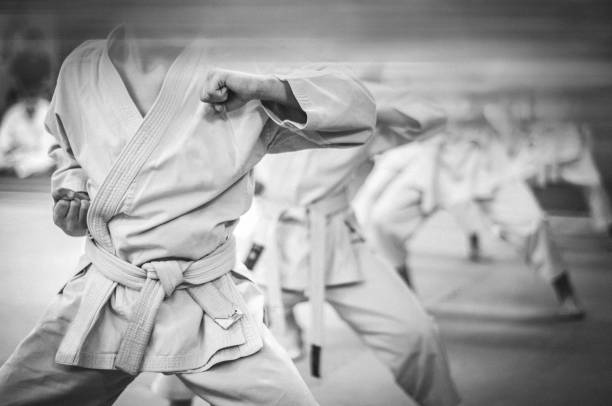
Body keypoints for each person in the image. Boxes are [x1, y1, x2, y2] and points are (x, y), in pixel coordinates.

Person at [0, 20, 376, 406]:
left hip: (209, 304)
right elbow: (69, 151)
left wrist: (265, 88)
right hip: (103, 295)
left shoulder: (238, 64)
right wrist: (74, 197)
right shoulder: (81, 66)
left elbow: (358, 108)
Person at [150, 83, 460, 406]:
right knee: (200, 330)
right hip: (271, 245)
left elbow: (431, 114)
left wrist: (345, 107)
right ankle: (178, 402)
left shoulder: (353, 96)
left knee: (415, 332)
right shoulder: (256, 88)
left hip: (339, 244)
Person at [353, 95, 585, 318]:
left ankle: (566, 293)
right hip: (428, 155)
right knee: (382, 221)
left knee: (531, 222)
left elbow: (501, 110)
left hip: (482, 154)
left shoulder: (484, 73)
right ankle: (408, 299)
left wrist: (514, 145)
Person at [0, 96, 55, 177]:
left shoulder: (46, 109)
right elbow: (3, 139)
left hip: (37, 156)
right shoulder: (14, 112)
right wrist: (8, 150)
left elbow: (47, 148)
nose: (30, 100)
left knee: (46, 160)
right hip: (16, 155)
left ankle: (17, 171)